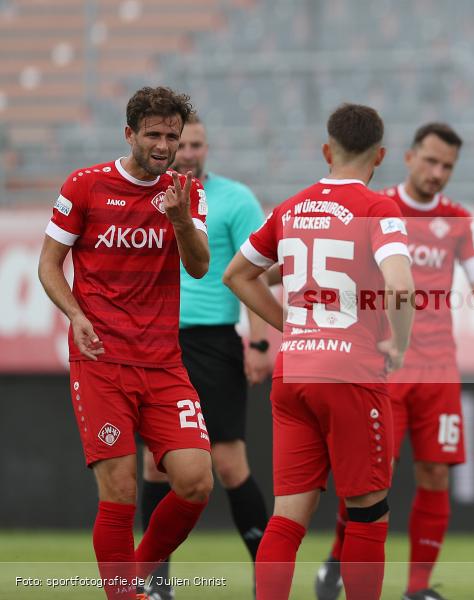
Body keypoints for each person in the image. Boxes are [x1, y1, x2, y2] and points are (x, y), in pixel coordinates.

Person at [315, 122, 474, 600]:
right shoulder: (378, 208)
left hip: (439, 373)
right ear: (409, 158)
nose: (438, 173)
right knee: (373, 480)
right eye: (431, 161)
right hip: (383, 369)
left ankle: (416, 589)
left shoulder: (455, 219)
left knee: (435, 474)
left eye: (448, 167)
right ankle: (336, 556)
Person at [223, 103, 415, 600]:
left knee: (287, 520)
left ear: (327, 150)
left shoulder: (289, 208)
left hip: (294, 372)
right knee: (369, 513)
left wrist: (290, 323)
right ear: (382, 157)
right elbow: (399, 285)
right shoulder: (379, 209)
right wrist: (398, 343)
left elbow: (237, 275)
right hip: (351, 371)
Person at [37, 86, 214, 600]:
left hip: (163, 364)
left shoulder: (186, 191)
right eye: (154, 135)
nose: (164, 146)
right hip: (100, 360)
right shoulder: (86, 185)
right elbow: (49, 265)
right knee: (120, 491)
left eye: (172, 137)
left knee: (196, 481)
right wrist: (75, 315)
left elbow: (199, 267)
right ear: (130, 133)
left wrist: (179, 216)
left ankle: (131, 578)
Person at [139, 114, 272, 600]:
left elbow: (254, 272)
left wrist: (259, 343)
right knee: (155, 465)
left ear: (205, 147)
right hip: (153, 341)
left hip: (214, 342)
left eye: (196, 144)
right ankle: (156, 583)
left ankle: (266, 572)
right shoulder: (140, 194)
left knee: (228, 462)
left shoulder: (234, 199)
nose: (188, 152)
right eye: (181, 144)